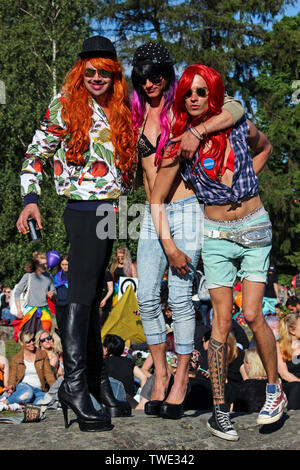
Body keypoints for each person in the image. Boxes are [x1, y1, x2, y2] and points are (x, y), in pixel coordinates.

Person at [150, 63, 287, 440]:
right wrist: (169, 245)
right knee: (220, 323)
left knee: (254, 312)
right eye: (188, 94)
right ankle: (219, 410)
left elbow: (266, 147)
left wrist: (246, 182)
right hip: (216, 234)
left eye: (201, 92)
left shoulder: (237, 123)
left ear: (212, 94)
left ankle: (275, 392)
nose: (194, 99)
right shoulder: (179, 146)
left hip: (254, 224)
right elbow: (156, 200)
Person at [16, 36, 136, 431]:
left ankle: (97, 385)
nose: (97, 78)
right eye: (90, 72)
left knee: (92, 293)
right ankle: (75, 386)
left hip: (114, 209)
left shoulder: (118, 109)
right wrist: (30, 198)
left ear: (114, 74)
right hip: (84, 208)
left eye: (105, 72)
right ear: (80, 71)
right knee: (81, 296)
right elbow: (35, 155)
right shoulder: (66, 104)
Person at [132, 42, 246, 419]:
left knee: (180, 300)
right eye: (144, 75)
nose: (151, 82)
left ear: (168, 75)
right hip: (151, 213)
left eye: (158, 74)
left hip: (185, 211)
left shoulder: (182, 108)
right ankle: (160, 374)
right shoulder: (132, 112)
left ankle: (180, 380)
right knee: (146, 297)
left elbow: (235, 106)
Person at [3, 330, 56, 406]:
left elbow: (49, 375)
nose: (32, 343)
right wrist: (11, 386)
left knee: (49, 400)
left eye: (33, 340)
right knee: (28, 393)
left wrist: (54, 390)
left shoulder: (42, 355)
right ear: (22, 343)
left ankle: (23, 404)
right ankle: (5, 402)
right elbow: (12, 377)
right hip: (24, 386)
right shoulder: (16, 358)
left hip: (38, 389)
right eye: (28, 341)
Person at [13, 252, 56, 339]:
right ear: (36, 264)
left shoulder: (49, 276)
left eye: (46, 264)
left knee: (44, 339)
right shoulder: (28, 276)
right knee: (29, 340)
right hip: (30, 313)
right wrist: (19, 310)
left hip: (44, 313)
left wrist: (52, 295)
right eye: (42, 264)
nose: (45, 266)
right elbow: (17, 293)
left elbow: (55, 295)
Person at [103, 334, 147, 408]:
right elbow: (144, 378)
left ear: (106, 349)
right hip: (128, 401)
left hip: (110, 400)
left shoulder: (103, 362)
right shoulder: (129, 362)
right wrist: (142, 401)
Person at [233, 347, 268, 412]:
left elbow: (236, 410)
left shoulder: (243, 388)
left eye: (244, 363)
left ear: (248, 365)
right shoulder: (273, 384)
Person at [276, 313, 300, 410]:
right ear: (292, 331)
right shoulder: (278, 346)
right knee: (297, 388)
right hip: (290, 383)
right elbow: (284, 374)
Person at [53, 254, 69, 320]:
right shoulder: (57, 277)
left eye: (67, 264)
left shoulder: (74, 276)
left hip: (70, 305)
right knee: (61, 326)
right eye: (63, 264)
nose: (65, 267)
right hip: (59, 305)